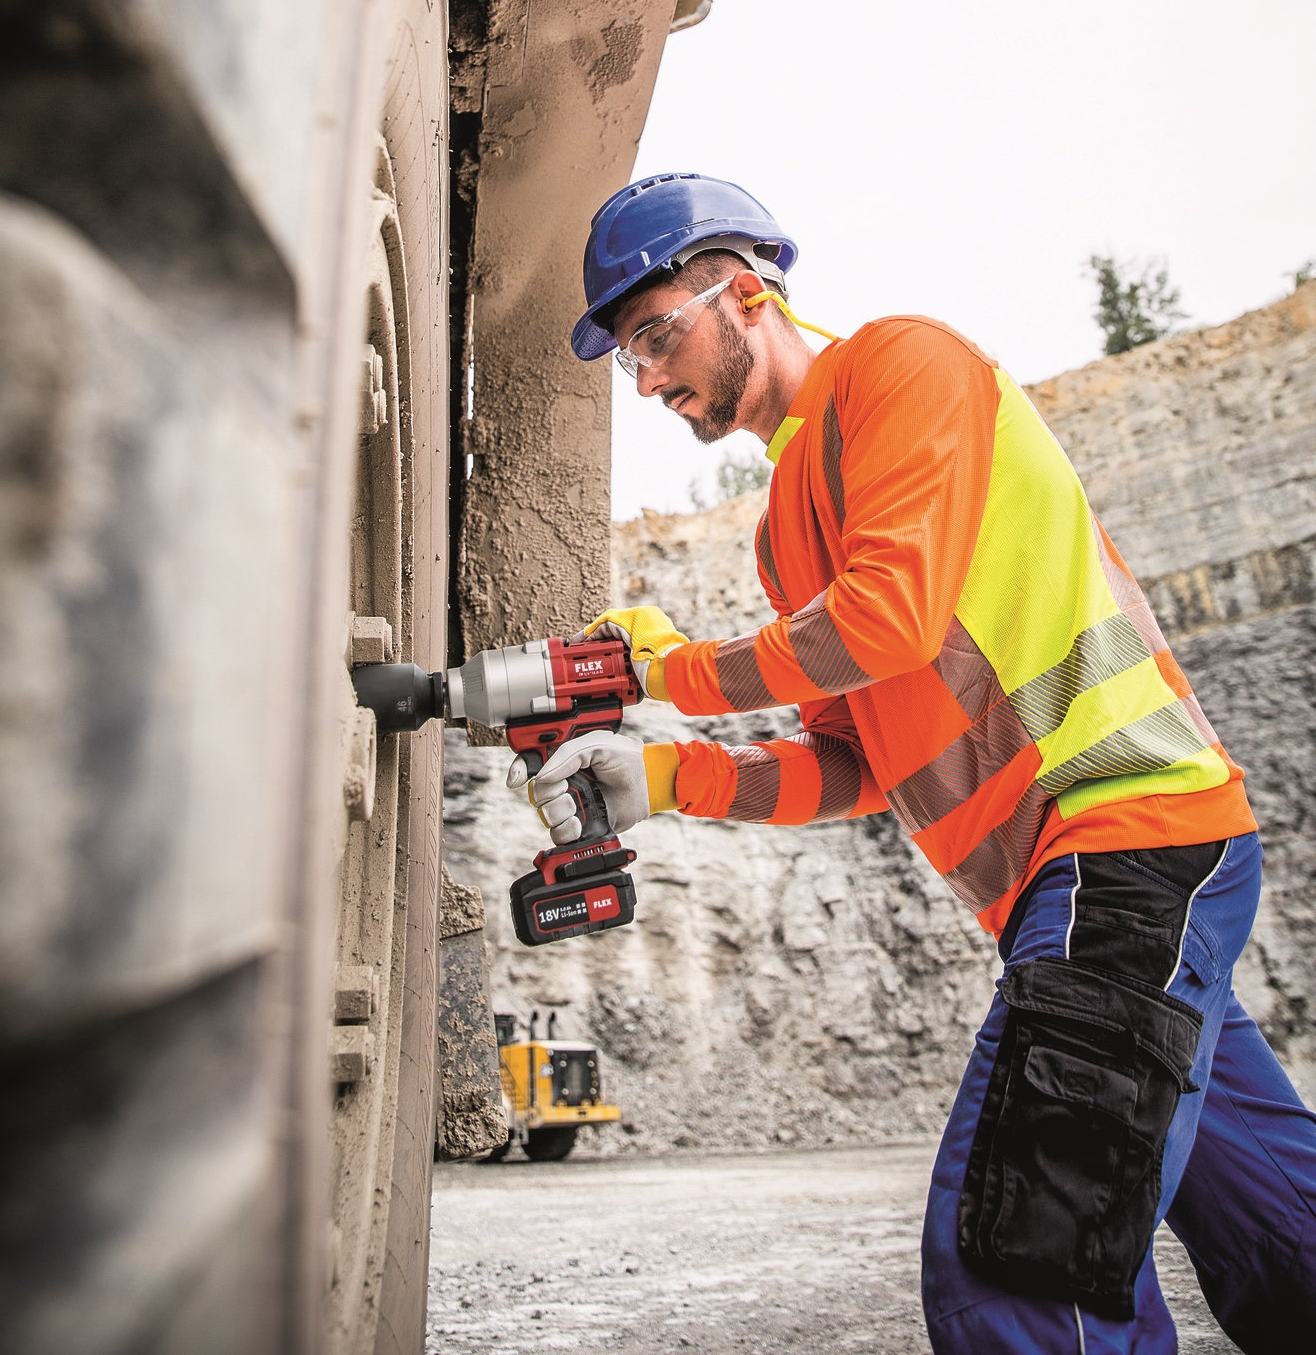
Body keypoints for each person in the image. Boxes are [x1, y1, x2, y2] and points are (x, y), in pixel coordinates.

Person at [510, 172, 1316, 1355]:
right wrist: (671, 777)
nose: (645, 378)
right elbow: (852, 764)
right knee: (1284, 1240)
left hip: (1125, 839)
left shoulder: (902, 367)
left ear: (744, 293)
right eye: (628, 358)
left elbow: (881, 622)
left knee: (1021, 1262)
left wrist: (664, 670)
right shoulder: (785, 530)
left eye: (653, 334)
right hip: (1071, 889)